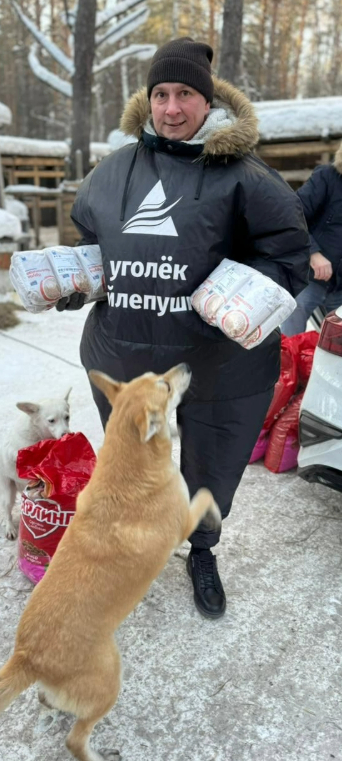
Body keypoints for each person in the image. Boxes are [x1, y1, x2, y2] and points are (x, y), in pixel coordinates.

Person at [61, 38, 311, 619]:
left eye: (186, 95)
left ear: (208, 100)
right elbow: (88, 243)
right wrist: (70, 279)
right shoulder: (111, 173)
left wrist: (246, 292)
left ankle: (201, 549)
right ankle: (134, 544)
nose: (172, 109)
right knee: (131, 462)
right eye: (161, 95)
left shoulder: (245, 177)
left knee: (214, 460)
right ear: (148, 101)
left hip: (217, 358)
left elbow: (290, 255)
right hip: (122, 352)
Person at [282, 149, 342, 334]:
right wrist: (313, 254)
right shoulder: (327, 177)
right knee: (293, 316)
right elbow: (291, 215)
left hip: (340, 288)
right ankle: (289, 360)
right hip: (310, 276)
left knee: (335, 349)